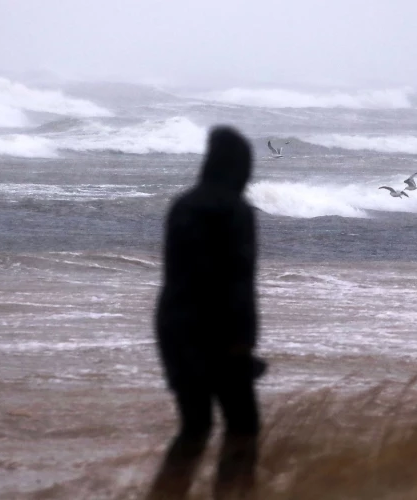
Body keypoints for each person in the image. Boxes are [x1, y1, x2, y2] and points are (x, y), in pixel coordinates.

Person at [148, 126, 264, 499]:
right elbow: (238, 281)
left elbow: (184, 275)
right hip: (218, 331)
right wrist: (242, 345)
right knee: (243, 426)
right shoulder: (235, 209)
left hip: (174, 327)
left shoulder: (183, 204)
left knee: (195, 426)